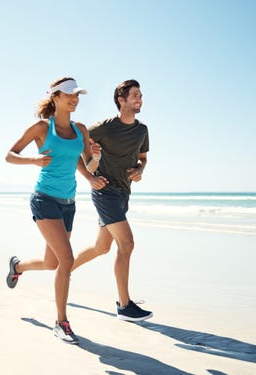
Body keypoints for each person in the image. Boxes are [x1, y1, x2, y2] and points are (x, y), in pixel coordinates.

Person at [4, 77, 107, 344]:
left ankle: (18, 266)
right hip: (44, 199)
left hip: (68, 203)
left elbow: (85, 165)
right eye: (69, 94)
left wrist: (94, 163)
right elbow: (10, 155)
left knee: (52, 263)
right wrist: (33, 160)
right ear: (55, 97)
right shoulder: (41, 127)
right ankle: (62, 322)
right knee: (67, 260)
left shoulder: (81, 129)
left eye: (77, 95)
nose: (75, 99)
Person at [73, 79, 153, 322]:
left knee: (102, 247)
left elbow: (142, 158)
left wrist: (140, 170)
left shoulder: (142, 130)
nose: (140, 99)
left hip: (123, 194)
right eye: (135, 95)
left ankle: (64, 271)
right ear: (122, 99)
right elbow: (76, 149)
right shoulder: (104, 128)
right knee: (126, 244)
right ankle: (124, 305)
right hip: (104, 192)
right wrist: (88, 177)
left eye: (141, 95)